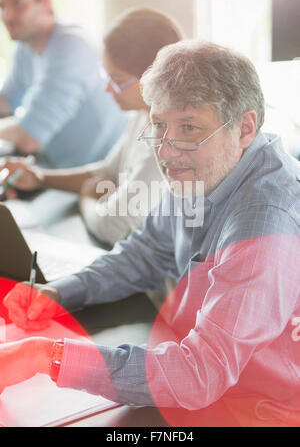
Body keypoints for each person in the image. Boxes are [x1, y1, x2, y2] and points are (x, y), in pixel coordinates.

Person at [2, 41, 300, 427]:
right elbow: (146, 252)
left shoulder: (264, 224)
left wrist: (46, 356)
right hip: (209, 376)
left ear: (245, 127)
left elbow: (198, 375)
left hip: (261, 408)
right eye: (159, 125)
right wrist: (61, 292)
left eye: (188, 127)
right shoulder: (206, 168)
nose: (166, 150)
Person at [0, 7, 183, 246]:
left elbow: (113, 226)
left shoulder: (167, 143)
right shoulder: (142, 114)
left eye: (117, 81)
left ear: (155, 79)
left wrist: (86, 197)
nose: (108, 90)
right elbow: (106, 172)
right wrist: (40, 178)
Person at [0, 0, 127, 167]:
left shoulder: (71, 47)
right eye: (1, 5)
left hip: (93, 179)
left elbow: (29, 138)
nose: (7, 16)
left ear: (45, 1)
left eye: (18, 3)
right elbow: (5, 102)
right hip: (50, 169)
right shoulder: (24, 47)